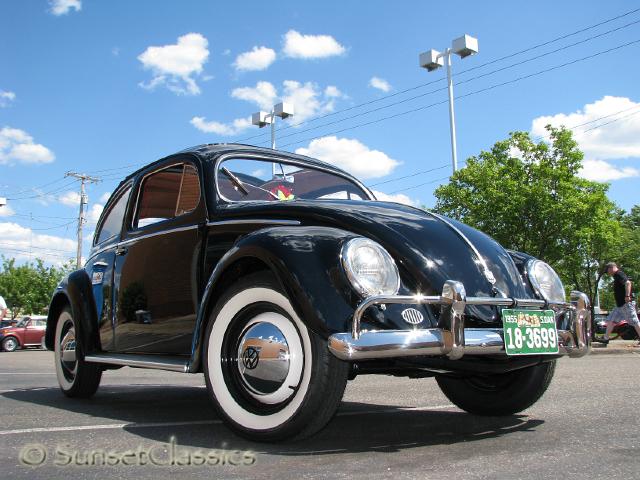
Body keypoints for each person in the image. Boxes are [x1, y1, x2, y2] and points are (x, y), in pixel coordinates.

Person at [600, 262, 640, 345]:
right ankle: (606, 338)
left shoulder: (619, 274)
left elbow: (628, 283)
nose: (607, 273)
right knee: (611, 319)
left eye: (607, 271)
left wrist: (627, 296)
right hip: (619, 305)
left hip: (626, 303)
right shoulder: (616, 276)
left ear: (611, 268)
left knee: (634, 321)